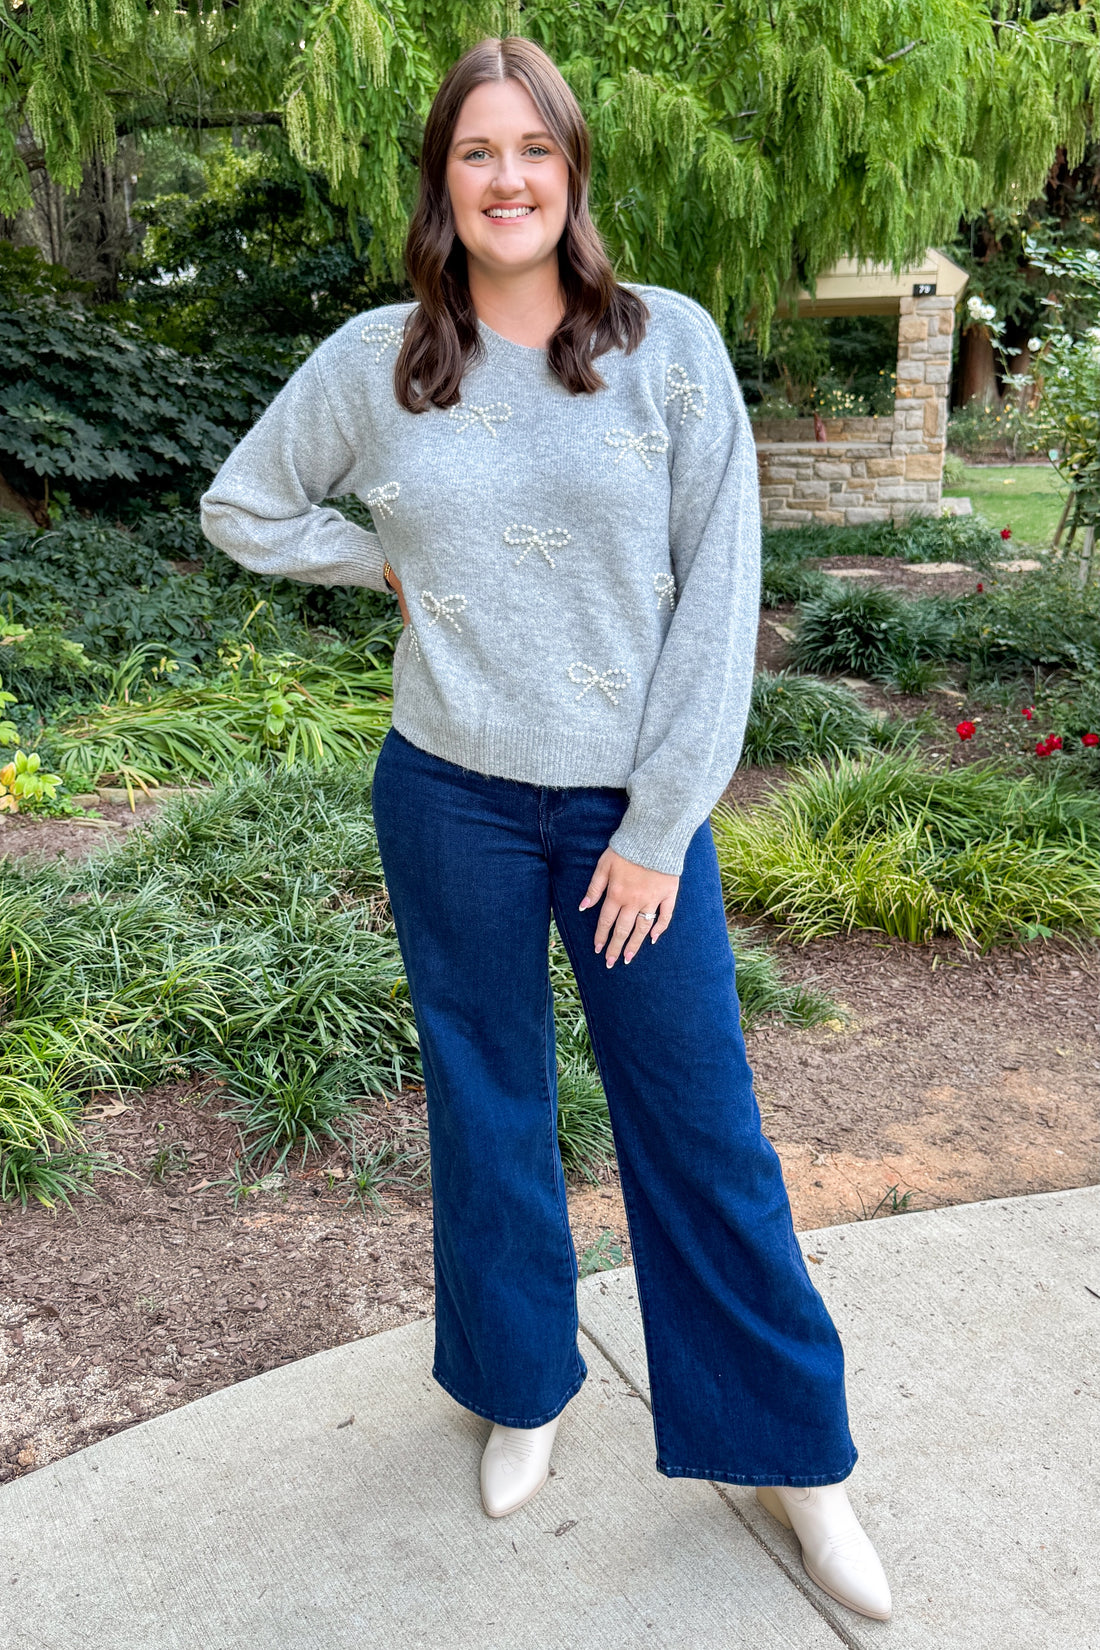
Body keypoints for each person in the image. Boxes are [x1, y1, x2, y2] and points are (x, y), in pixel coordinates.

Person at [199, 34, 892, 1625]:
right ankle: (522, 1387)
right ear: (441, 181)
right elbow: (243, 505)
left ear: (572, 171)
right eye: (475, 152)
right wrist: (376, 564)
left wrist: (659, 825)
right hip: (448, 790)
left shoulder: (666, 346)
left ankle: (796, 1457)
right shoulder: (381, 360)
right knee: (489, 1103)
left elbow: (719, 596)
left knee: (702, 1126)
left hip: (628, 813)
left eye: (533, 149)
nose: (505, 178)